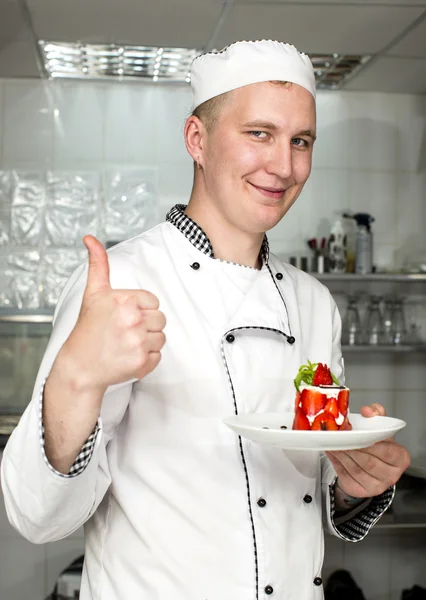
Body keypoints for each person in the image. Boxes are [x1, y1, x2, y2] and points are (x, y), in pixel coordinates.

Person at [1, 40, 410, 600]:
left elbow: (306, 491)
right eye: (259, 134)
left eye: (301, 141)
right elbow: (37, 517)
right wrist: (75, 379)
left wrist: (354, 486)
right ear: (198, 139)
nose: (284, 166)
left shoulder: (315, 302)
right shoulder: (122, 284)